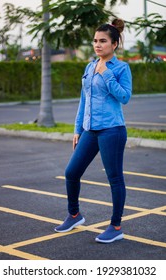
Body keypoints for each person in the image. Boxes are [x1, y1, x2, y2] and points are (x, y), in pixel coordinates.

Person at [55, 18, 132, 243]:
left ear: (114, 44)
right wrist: (78, 129)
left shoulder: (121, 68)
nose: (98, 45)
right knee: (71, 172)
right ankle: (74, 215)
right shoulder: (89, 66)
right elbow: (83, 100)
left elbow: (125, 97)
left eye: (103, 41)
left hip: (112, 130)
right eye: (95, 41)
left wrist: (106, 73)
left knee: (114, 178)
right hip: (90, 130)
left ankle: (116, 226)